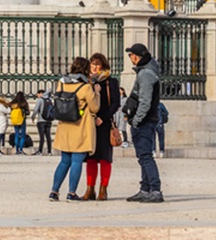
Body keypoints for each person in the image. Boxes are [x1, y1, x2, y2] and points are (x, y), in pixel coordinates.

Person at [49, 56, 99, 202]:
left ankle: (54, 191)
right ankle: (71, 193)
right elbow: (95, 107)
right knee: (77, 160)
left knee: (64, 160)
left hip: (65, 125)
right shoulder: (85, 87)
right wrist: (97, 93)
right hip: (80, 126)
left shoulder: (61, 83)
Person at [124, 43, 164, 203]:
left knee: (146, 156)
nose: (130, 59)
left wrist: (136, 120)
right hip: (147, 119)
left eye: (131, 55)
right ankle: (145, 188)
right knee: (143, 156)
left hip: (145, 121)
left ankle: (155, 189)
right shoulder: (147, 71)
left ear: (137, 56)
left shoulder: (146, 74)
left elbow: (145, 101)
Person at [84, 53, 121, 201]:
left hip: (104, 124)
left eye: (97, 65)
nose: (94, 68)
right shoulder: (87, 81)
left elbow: (115, 103)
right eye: (92, 65)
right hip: (90, 123)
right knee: (91, 158)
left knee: (105, 158)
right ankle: (89, 188)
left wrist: (102, 117)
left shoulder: (110, 82)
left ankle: (103, 189)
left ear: (103, 66)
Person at [33, 88, 54, 156]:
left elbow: (36, 110)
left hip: (41, 120)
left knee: (42, 137)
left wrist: (33, 117)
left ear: (41, 93)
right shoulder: (50, 100)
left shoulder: (40, 100)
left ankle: (40, 151)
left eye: (38, 93)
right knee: (48, 136)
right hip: (49, 120)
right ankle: (49, 151)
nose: (37, 95)